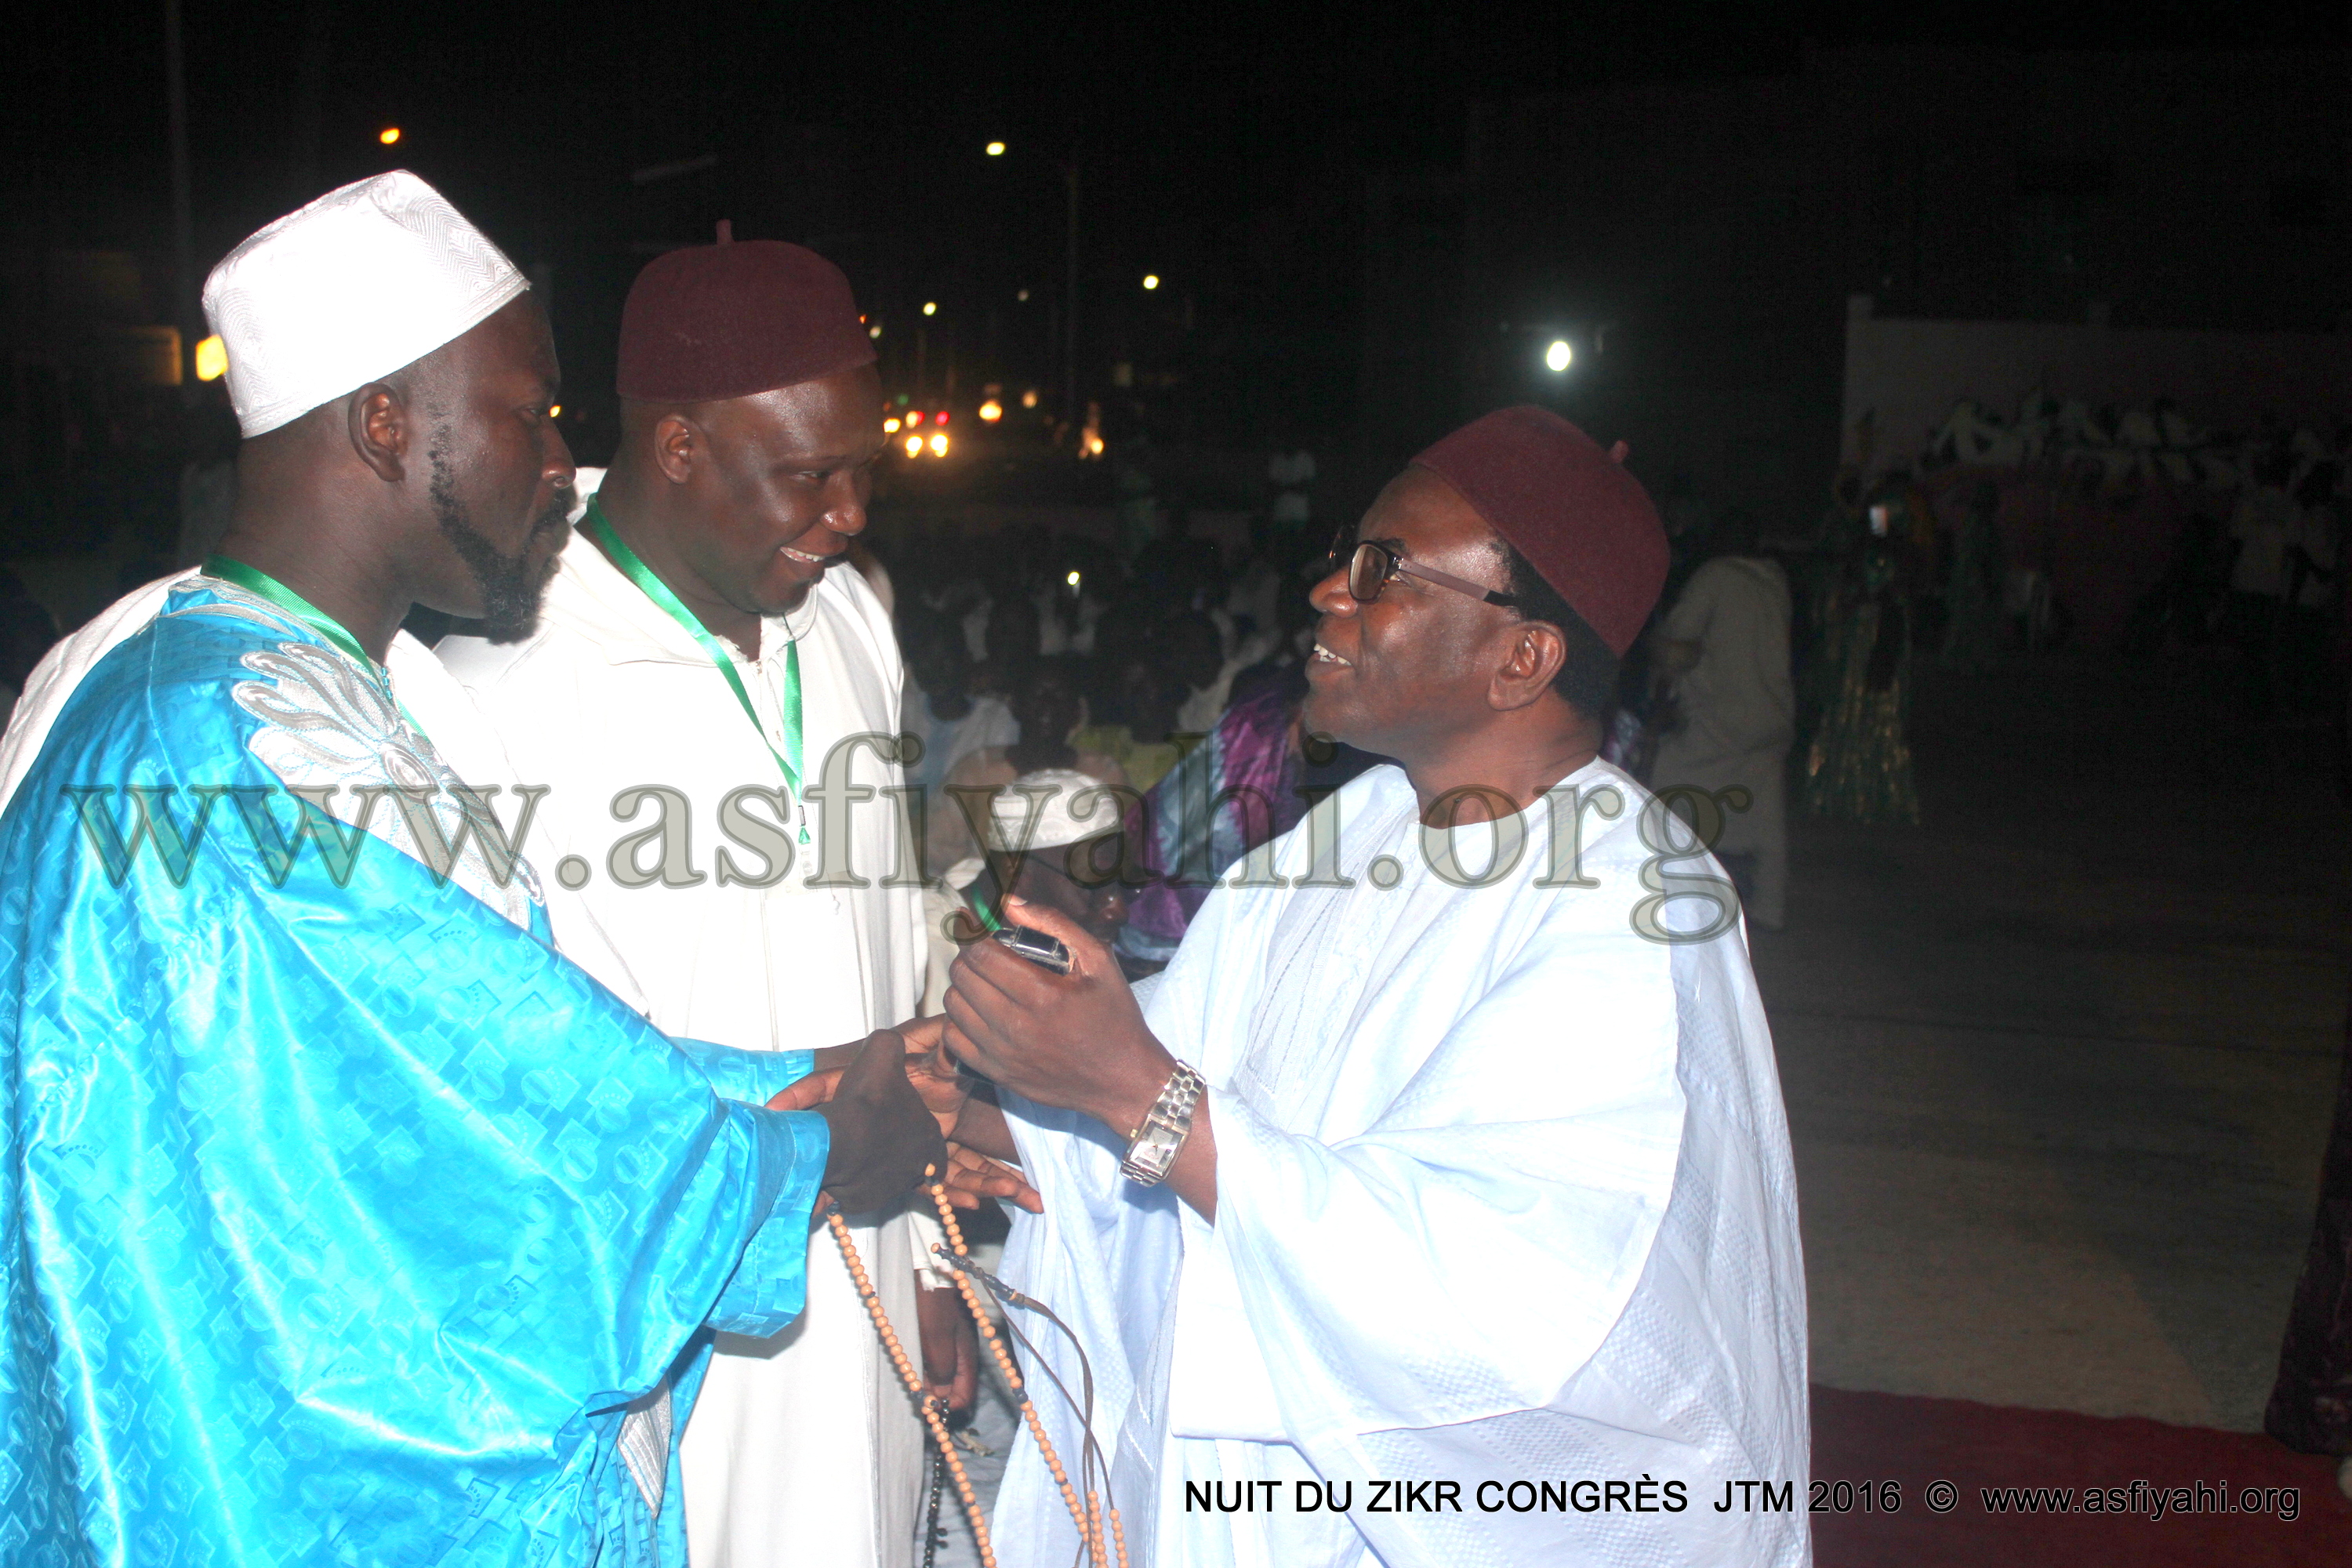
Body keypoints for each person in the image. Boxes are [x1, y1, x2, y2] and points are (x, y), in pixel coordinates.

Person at [0, 172, 943, 1566]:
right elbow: (477, 1136)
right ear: (388, 424)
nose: (562, 458)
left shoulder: (319, 690)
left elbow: (502, 1043)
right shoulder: (222, 741)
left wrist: (809, 1083)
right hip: (301, 1478)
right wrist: (816, 1148)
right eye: (526, 411)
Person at [939, 406, 1809, 1567]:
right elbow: (1170, 1066)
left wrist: (1131, 1097)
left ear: (1523, 657)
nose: (1325, 596)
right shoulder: (1359, 821)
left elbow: (1516, 1317)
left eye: (1380, 572)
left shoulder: (1633, 909)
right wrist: (991, 1097)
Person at [437, 232, 940, 1568]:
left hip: (877, 1268)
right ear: (675, 449)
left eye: (862, 473)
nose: (849, 517)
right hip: (677, 1340)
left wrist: (938, 1265)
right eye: (808, 477)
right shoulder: (499, 688)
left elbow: (900, 957)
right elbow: (512, 1101)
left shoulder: (849, 623)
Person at [1650, 510, 1795, 930]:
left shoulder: (1716, 576)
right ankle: (1770, 906)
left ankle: (1658, 891)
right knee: (1766, 820)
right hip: (1772, 718)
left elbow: (1677, 643)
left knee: (1665, 788)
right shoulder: (1775, 579)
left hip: (1721, 720)